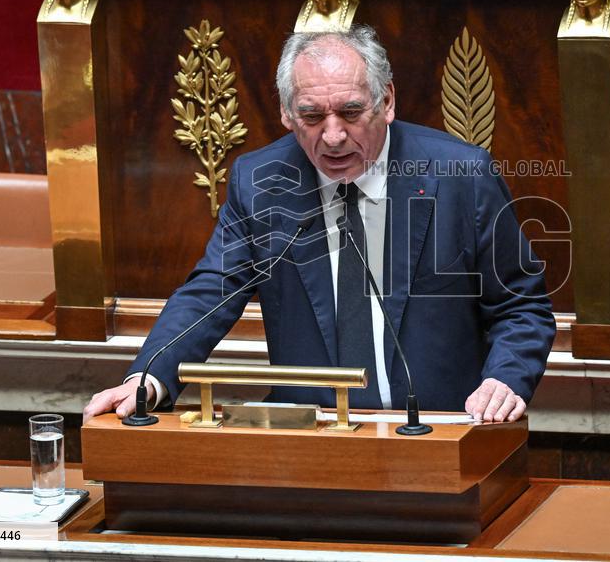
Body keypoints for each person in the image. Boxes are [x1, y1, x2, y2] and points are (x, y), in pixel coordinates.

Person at [84, 26, 555, 424]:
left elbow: (521, 306)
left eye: (351, 112)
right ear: (287, 115)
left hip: (439, 431)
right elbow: (212, 291)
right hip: (310, 438)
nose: (332, 136)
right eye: (312, 116)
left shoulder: (462, 176)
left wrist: (504, 379)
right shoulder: (262, 183)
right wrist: (149, 375)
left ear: (386, 101)